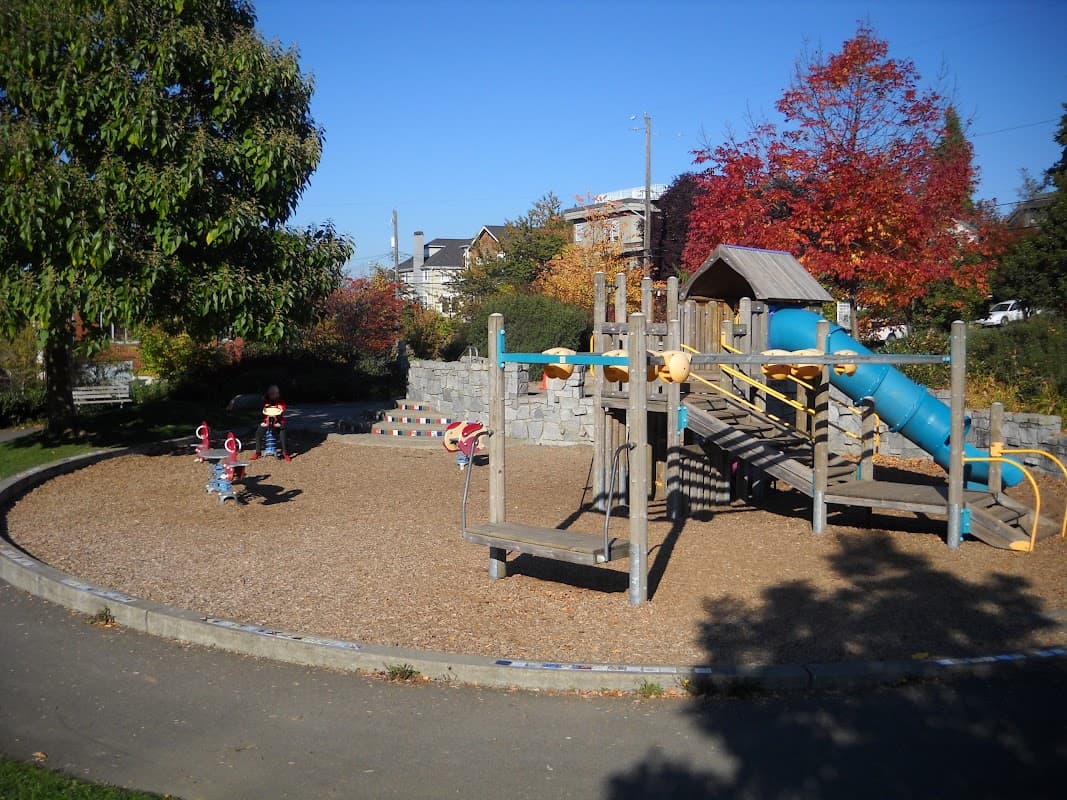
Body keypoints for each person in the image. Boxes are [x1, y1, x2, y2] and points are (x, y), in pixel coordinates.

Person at [251, 385, 291, 461]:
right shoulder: (266, 401)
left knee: (283, 433)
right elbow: (263, 409)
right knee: (258, 434)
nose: (272, 395)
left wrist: (280, 409)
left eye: (274, 393)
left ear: (278, 394)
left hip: (278, 421)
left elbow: (282, 408)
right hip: (267, 421)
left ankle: (285, 453)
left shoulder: (280, 401)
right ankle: (257, 452)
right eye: (271, 393)